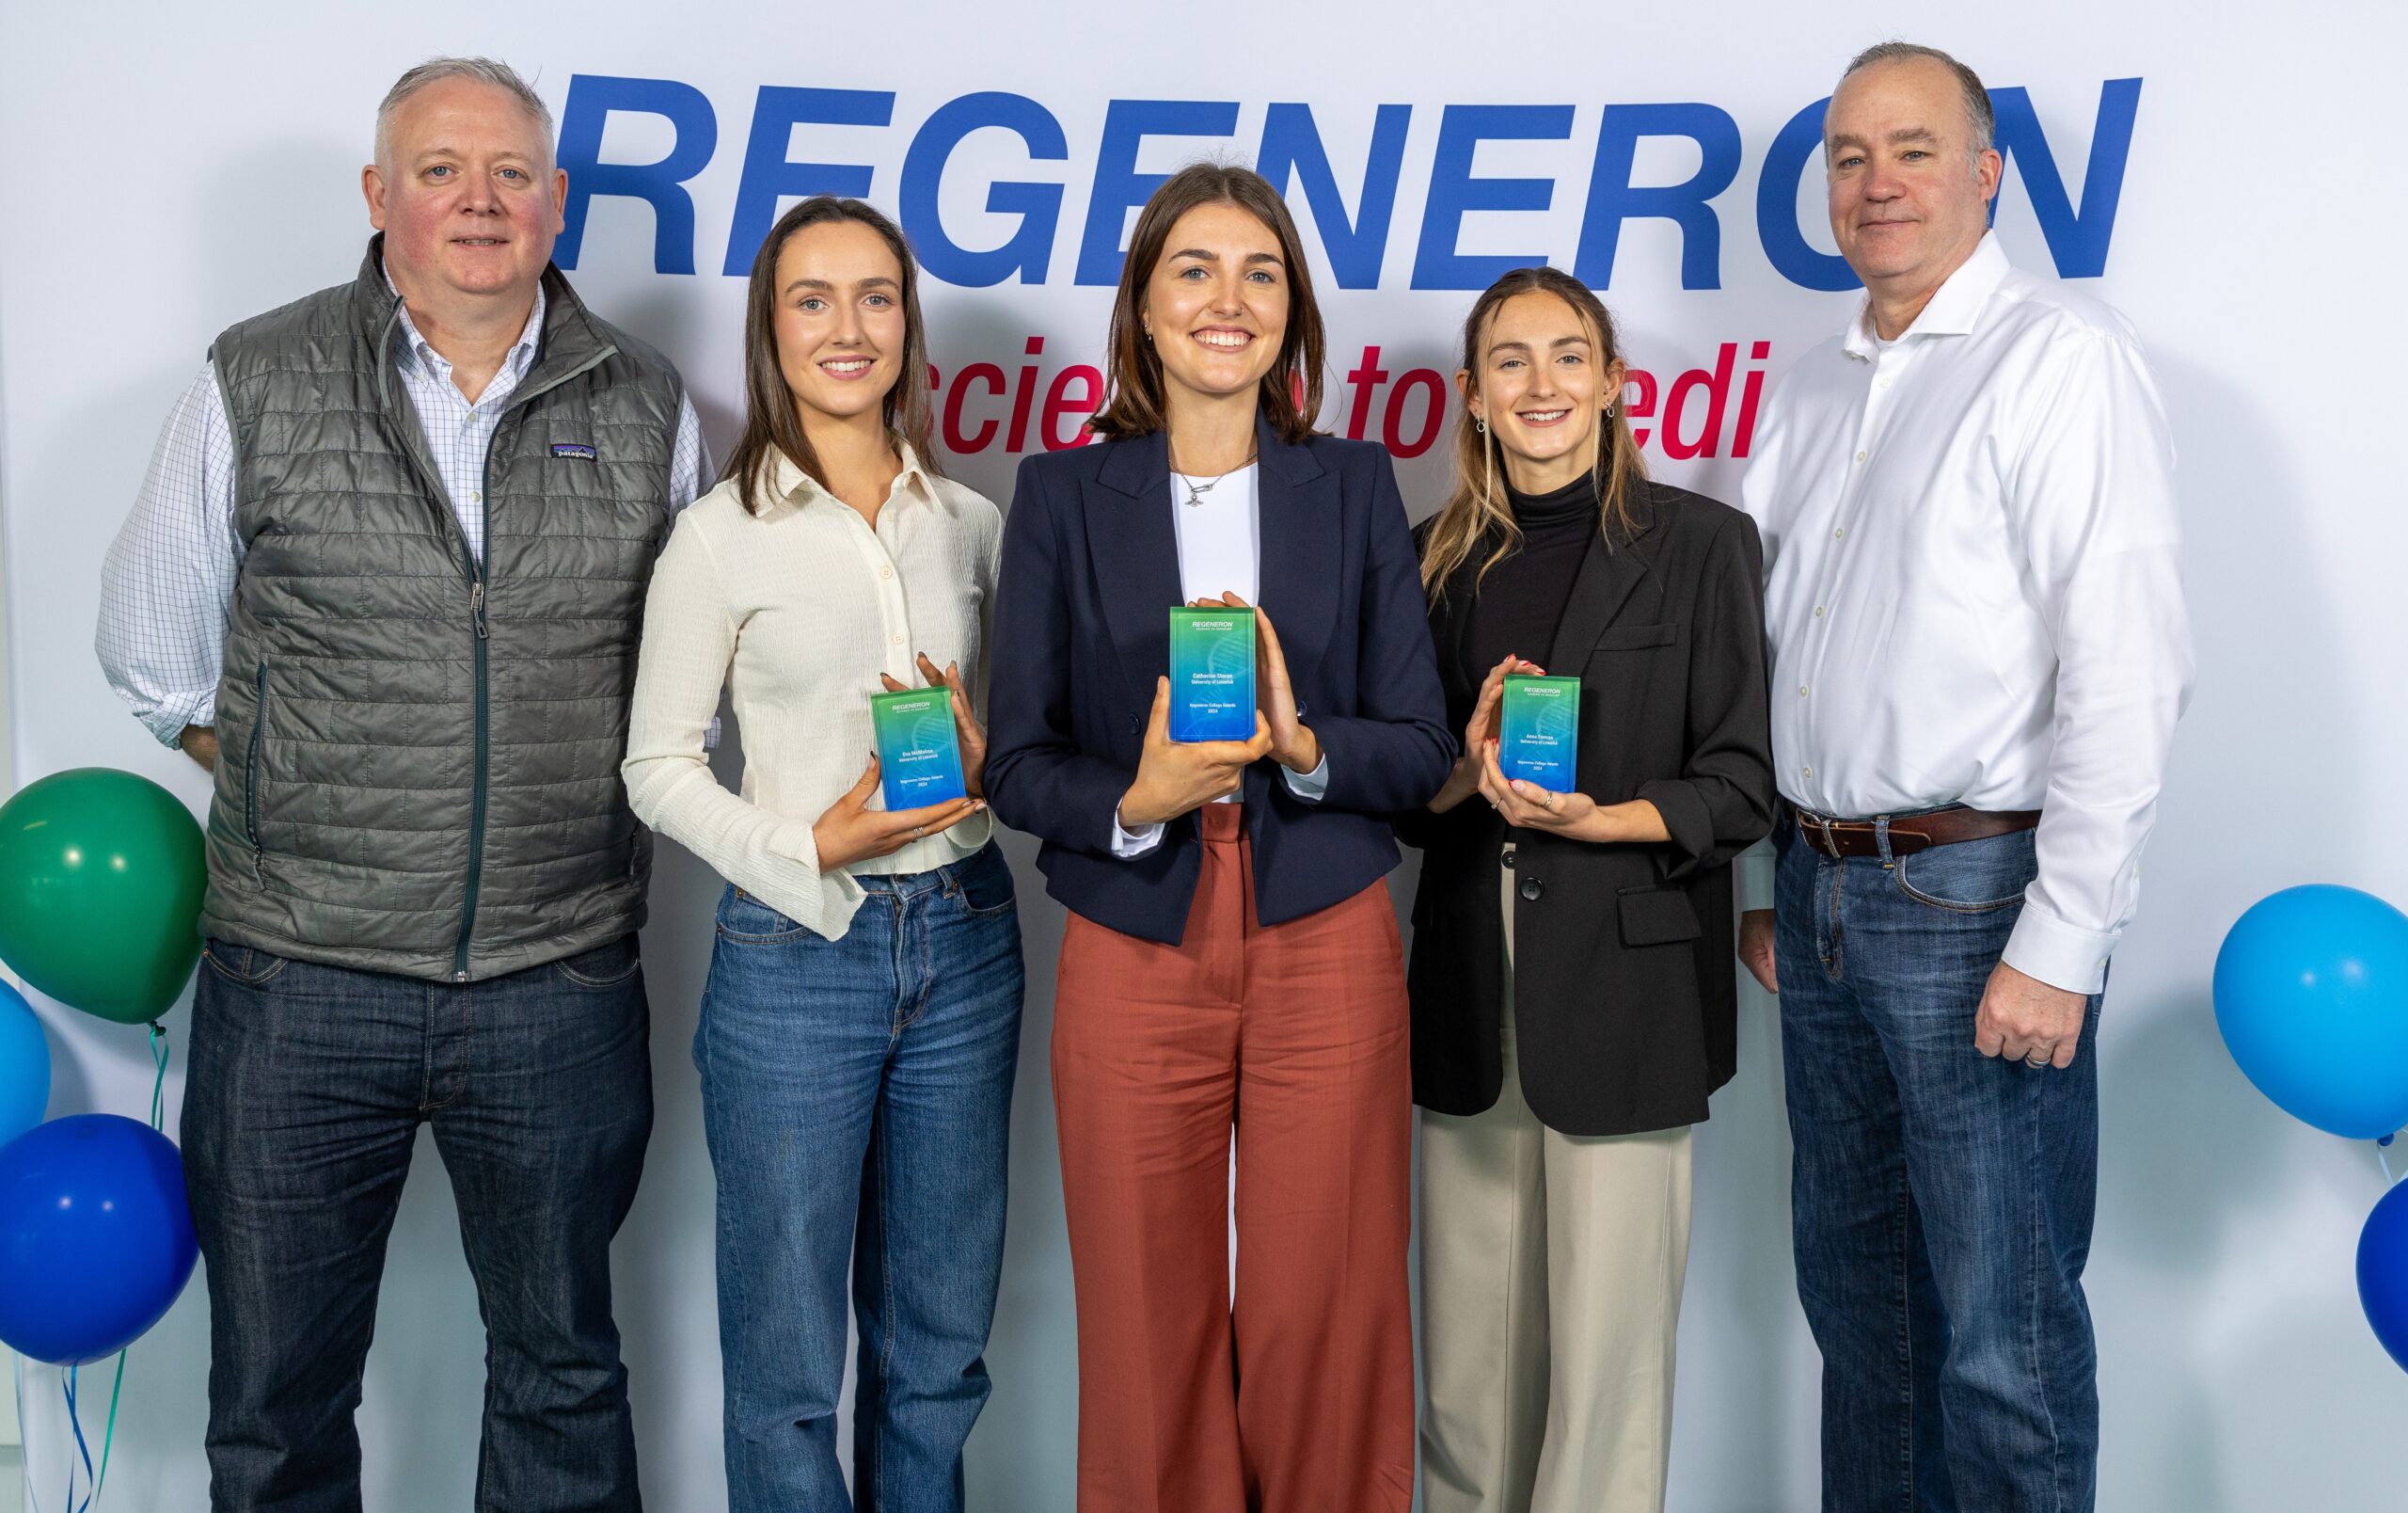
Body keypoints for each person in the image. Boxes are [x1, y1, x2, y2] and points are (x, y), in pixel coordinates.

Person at [94, 56, 704, 1513]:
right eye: (441, 171)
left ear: (557, 204)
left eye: (509, 175)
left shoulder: (647, 400)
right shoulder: (260, 372)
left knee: (563, 1375)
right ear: (380, 198)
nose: (478, 202)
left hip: (556, 980)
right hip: (300, 981)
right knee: (278, 1401)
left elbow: (687, 682)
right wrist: (316, 771)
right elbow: (154, 652)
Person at [1735, 41, 2194, 1513]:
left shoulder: (2061, 363)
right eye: (1852, 156)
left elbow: (2129, 668)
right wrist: (1765, 878)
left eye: (1913, 149)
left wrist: (2062, 942)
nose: (1878, 184)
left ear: (1987, 171)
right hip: (1815, 895)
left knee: (2004, 1339)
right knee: (1861, 1322)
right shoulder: (1810, 390)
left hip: (1975, 899)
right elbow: (1767, 656)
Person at [984, 162, 1451, 1513]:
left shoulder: (1353, 485)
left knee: (1330, 1304)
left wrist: (1306, 748)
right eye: (1194, 269)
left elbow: (1418, 749)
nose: (1227, 300)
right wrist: (1136, 803)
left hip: (1323, 925)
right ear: (1140, 305)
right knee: (1146, 1311)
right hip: (1138, 931)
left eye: (1261, 273)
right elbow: (1017, 761)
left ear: (1294, 313)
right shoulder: (1065, 495)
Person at [621, 196, 1021, 1513]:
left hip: (966, 944)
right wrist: (811, 840)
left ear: (909, 324)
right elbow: (658, 768)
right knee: (791, 1367)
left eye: (876, 297)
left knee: (938, 1351)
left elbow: (1017, 741)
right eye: (812, 299)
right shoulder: (718, 535)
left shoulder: (966, 522)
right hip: (796, 955)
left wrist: (991, 751)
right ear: (770, 328)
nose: (848, 328)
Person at [1397, 266, 1774, 1513]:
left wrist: (1605, 816)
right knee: (1465, 1373)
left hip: (1627, 990)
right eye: (1512, 361)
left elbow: (1742, 784)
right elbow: (1398, 798)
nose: (1542, 384)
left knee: (1608, 1378)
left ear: (1614, 384)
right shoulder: (1422, 562)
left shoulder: (1703, 546)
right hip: (1465, 987)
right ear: (1474, 396)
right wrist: (1463, 770)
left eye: (1570, 357)